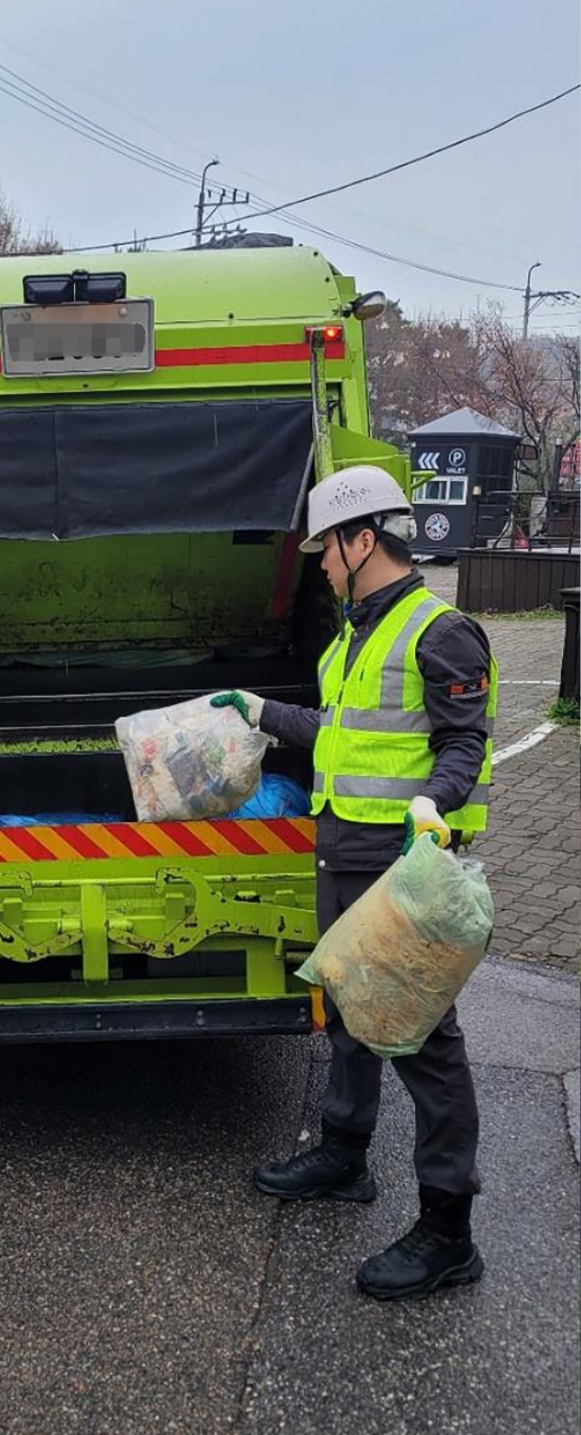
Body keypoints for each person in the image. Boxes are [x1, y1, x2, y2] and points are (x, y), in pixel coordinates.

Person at [212, 465, 498, 1300]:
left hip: (400, 863)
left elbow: (464, 747)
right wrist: (259, 710)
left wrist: (434, 802)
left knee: (424, 1042)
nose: (321, 566)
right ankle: (344, 1156)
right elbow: (339, 733)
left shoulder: (438, 631)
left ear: (362, 539)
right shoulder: (356, 633)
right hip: (344, 852)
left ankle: (450, 1231)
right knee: (347, 1010)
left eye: (327, 551)